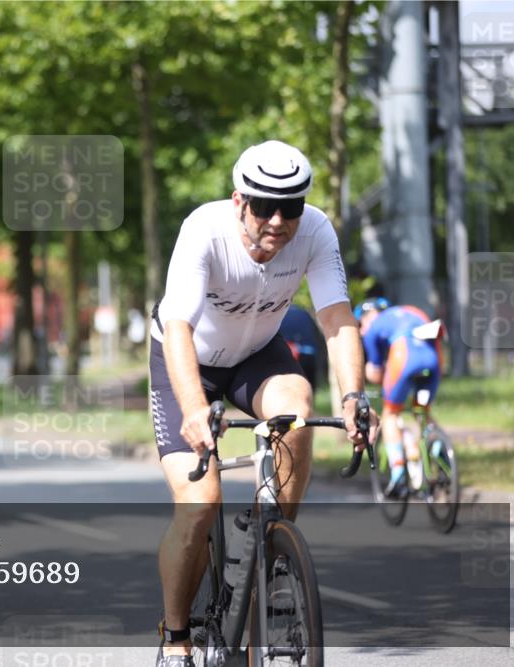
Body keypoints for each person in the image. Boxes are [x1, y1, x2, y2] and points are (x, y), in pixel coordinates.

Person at [149, 140, 378, 666]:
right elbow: (180, 326)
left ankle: (272, 547)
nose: (278, 221)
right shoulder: (202, 230)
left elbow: (338, 319)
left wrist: (352, 396)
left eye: (291, 207)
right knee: (200, 504)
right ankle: (176, 638)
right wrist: (191, 408)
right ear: (238, 202)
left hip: (257, 353)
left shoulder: (316, 231)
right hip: (186, 361)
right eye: (265, 207)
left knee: (297, 409)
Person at [356, 298, 443, 496]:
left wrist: (376, 378)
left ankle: (398, 472)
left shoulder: (373, 329)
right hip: (433, 358)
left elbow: (375, 372)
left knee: (390, 414)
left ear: (368, 316)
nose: (361, 331)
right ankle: (438, 448)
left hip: (404, 356)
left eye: (360, 325)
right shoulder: (411, 309)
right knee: (421, 410)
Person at [279, 304, 323, 390]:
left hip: (289, 357)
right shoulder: (303, 312)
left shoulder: (279, 314)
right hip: (310, 355)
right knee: (309, 391)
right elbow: (316, 334)